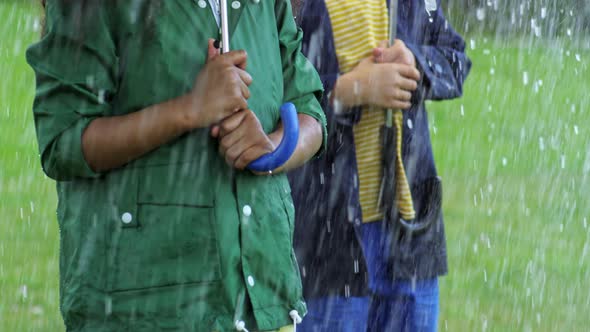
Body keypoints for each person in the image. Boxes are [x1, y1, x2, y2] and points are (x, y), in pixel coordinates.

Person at [27, 1, 326, 331]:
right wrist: (190, 110)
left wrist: (273, 149)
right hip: (147, 310)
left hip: (266, 304)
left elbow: (307, 107)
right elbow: (64, 142)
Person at [288, 0, 471, 331]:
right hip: (329, 240)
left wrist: (415, 61)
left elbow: (455, 59)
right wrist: (348, 90)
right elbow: (275, 93)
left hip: (408, 233)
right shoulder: (297, 6)